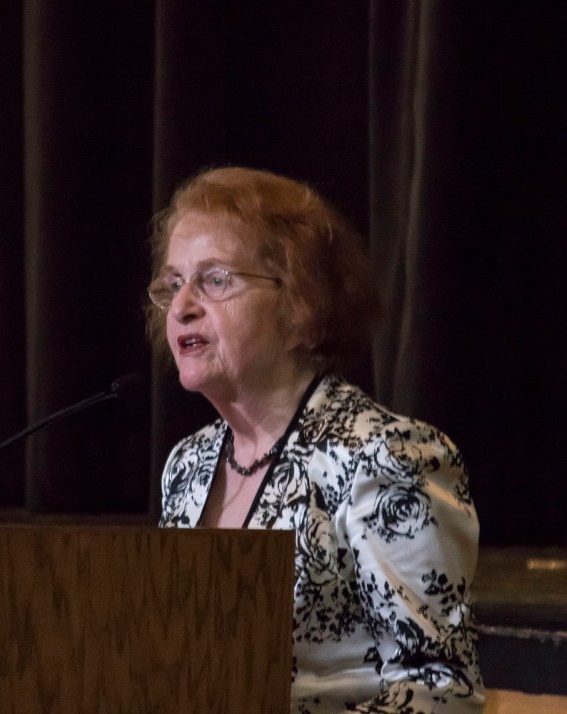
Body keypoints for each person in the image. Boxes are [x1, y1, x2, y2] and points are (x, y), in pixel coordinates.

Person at [147, 166, 484, 713]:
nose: (182, 305)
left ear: (300, 305)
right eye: (173, 282)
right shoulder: (188, 465)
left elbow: (440, 692)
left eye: (214, 280)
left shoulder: (385, 458)